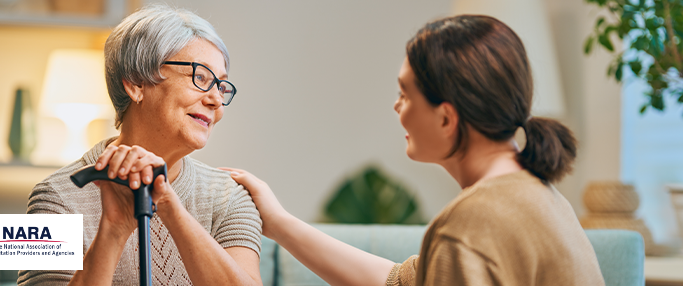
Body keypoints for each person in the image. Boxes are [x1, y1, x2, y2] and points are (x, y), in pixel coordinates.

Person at [220, 15, 606, 286]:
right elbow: (399, 282)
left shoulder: (475, 221)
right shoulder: (534, 195)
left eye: (405, 94)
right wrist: (277, 222)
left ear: (445, 118)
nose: (396, 106)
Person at [18, 5, 263, 286]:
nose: (216, 101)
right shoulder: (57, 197)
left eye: (221, 86)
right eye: (200, 77)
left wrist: (169, 204)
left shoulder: (228, 197)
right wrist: (112, 230)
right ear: (136, 83)